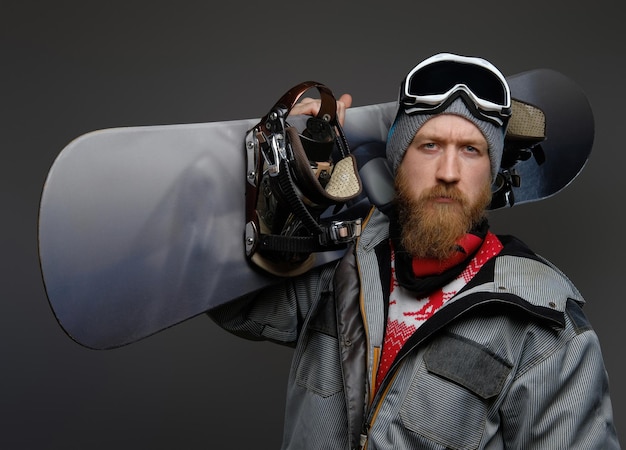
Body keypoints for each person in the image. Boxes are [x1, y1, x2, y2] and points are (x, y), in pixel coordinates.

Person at [209, 53, 621, 449]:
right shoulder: (341, 265)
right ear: (398, 162)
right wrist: (285, 182)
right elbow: (233, 305)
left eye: (471, 150)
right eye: (429, 145)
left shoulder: (546, 329)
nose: (448, 172)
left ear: (491, 177)